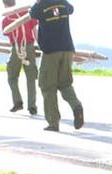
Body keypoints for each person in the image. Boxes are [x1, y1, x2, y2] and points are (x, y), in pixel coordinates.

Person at [29, 0, 83, 132]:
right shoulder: (63, 2)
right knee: (65, 84)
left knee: (48, 86)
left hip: (51, 51)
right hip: (67, 48)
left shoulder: (40, 5)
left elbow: (32, 14)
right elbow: (71, 9)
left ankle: (53, 122)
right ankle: (76, 105)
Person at [1, 0, 39, 115]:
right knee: (31, 78)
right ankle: (32, 106)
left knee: (12, 76)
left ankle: (17, 102)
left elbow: (8, 35)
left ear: (4, 4)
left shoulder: (6, 19)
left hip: (16, 48)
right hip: (29, 47)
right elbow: (35, 31)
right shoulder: (28, 15)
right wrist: (39, 45)